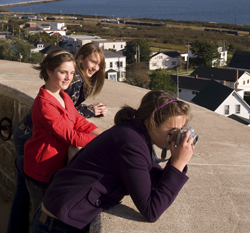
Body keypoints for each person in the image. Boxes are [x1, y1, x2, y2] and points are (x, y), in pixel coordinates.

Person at [31, 90, 196, 233]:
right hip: (58, 223)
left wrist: (177, 161)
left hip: (60, 213)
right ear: (153, 122)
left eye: (181, 130)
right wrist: (178, 163)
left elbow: (154, 179)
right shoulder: (131, 144)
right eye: (174, 130)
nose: (177, 136)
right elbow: (152, 210)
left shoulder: (135, 135)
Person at [8, 43, 106, 233]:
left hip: (50, 168)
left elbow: (78, 121)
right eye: (63, 73)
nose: (69, 78)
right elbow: (69, 135)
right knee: (41, 219)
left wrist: (103, 133)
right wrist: (99, 141)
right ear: (49, 71)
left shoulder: (63, 96)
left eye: (71, 73)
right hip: (40, 171)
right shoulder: (45, 103)